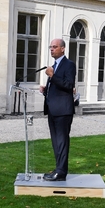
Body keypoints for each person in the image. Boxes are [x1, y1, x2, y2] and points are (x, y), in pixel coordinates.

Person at [39, 38, 76, 182]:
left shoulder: (69, 65)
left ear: (63, 48)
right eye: (50, 47)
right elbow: (57, 87)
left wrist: (52, 76)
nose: (51, 49)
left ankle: (61, 172)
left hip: (63, 111)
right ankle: (58, 169)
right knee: (55, 142)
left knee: (62, 142)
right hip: (52, 109)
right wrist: (45, 90)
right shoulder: (54, 65)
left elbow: (68, 85)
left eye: (54, 47)